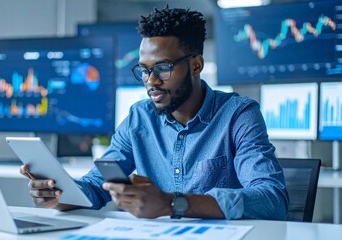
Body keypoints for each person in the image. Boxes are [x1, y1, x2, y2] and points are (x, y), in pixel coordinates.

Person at [21, 6, 289, 220]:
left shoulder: (239, 115)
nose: (151, 80)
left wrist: (174, 204)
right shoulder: (139, 118)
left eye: (162, 68)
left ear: (196, 65)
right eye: (144, 70)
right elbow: (97, 185)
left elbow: (272, 199)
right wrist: (62, 195)